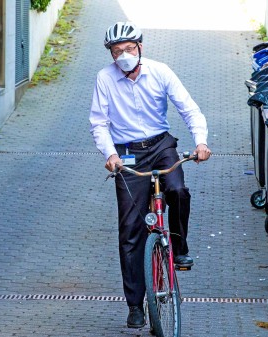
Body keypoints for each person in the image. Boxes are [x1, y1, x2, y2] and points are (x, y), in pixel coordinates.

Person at [89, 21, 211, 328]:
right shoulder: (105, 78)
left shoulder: (161, 71)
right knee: (130, 229)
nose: (124, 55)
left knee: (178, 190)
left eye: (129, 49)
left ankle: (179, 247)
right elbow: (99, 123)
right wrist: (111, 155)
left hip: (160, 145)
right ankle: (135, 306)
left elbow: (189, 109)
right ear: (111, 55)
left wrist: (201, 142)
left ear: (140, 48)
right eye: (117, 51)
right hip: (127, 153)